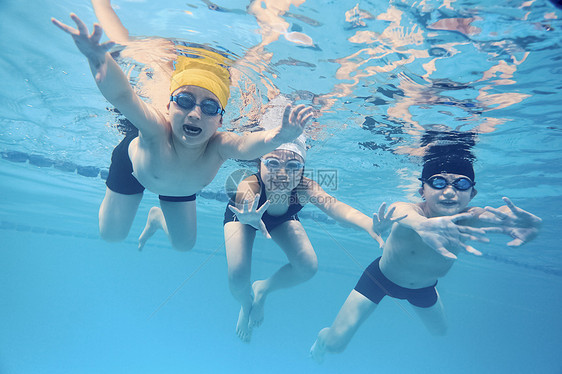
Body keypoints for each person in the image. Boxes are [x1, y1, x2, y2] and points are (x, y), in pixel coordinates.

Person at [51, 10, 314, 251]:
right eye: (185, 101)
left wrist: (279, 137)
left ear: (220, 120)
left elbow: (246, 146)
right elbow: (122, 95)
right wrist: (99, 60)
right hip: (133, 168)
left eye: (210, 107)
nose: (195, 113)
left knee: (184, 245)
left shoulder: (219, 146)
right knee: (112, 235)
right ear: (168, 106)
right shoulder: (155, 129)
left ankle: (157, 216)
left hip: (178, 187)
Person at [310, 147, 542, 363]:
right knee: (335, 344)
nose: (449, 192)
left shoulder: (470, 216)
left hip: (424, 288)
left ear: (472, 193)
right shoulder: (412, 210)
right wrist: (422, 225)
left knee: (440, 332)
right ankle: (322, 339)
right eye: (438, 182)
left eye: (461, 184)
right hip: (379, 279)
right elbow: (402, 211)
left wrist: (514, 223)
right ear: (423, 190)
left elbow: (493, 215)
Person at [222, 97, 404, 342]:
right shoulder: (250, 184)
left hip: (280, 220)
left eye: (294, 166)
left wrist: (368, 224)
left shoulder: (306, 187)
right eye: (273, 163)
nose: (283, 174)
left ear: (303, 168)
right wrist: (247, 216)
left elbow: (336, 207)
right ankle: (246, 305)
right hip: (244, 218)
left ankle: (263, 288)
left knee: (307, 266)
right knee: (237, 278)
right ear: (259, 162)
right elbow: (244, 196)